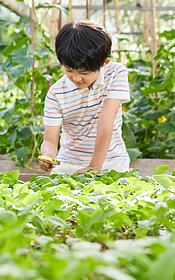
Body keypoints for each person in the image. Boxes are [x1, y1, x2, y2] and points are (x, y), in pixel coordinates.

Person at [39, 21, 130, 175]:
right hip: (69, 165)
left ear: (104, 63)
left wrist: (94, 167)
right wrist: (48, 154)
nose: (76, 78)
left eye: (84, 73)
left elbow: (106, 120)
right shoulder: (56, 94)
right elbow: (49, 140)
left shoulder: (116, 73)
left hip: (112, 162)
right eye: (69, 70)